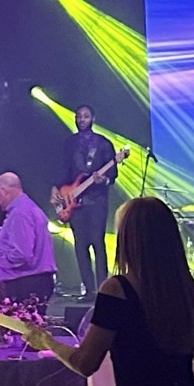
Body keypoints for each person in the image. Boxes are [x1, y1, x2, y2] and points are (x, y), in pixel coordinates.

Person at [26, 198, 194, 386]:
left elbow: (85, 363)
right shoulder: (185, 286)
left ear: (128, 238)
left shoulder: (117, 289)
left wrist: (46, 341)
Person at [59, 105, 121, 299]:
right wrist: (57, 188)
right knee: (80, 246)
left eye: (85, 116)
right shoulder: (69, 143)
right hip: (75, 201)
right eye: (79, 116)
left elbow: (113, 173)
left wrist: (104, 180)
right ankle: (88, 289)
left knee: (97, 243)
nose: (82, 120)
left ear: (93, 118)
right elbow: (62, 169)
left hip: (97, 201)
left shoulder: (103, 144)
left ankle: (103, 288)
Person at [0, 172, 56, 302]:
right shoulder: (29, 208)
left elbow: (21, 255)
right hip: (33, 281)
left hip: (26, 284)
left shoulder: (20, 214)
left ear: (5, 191)